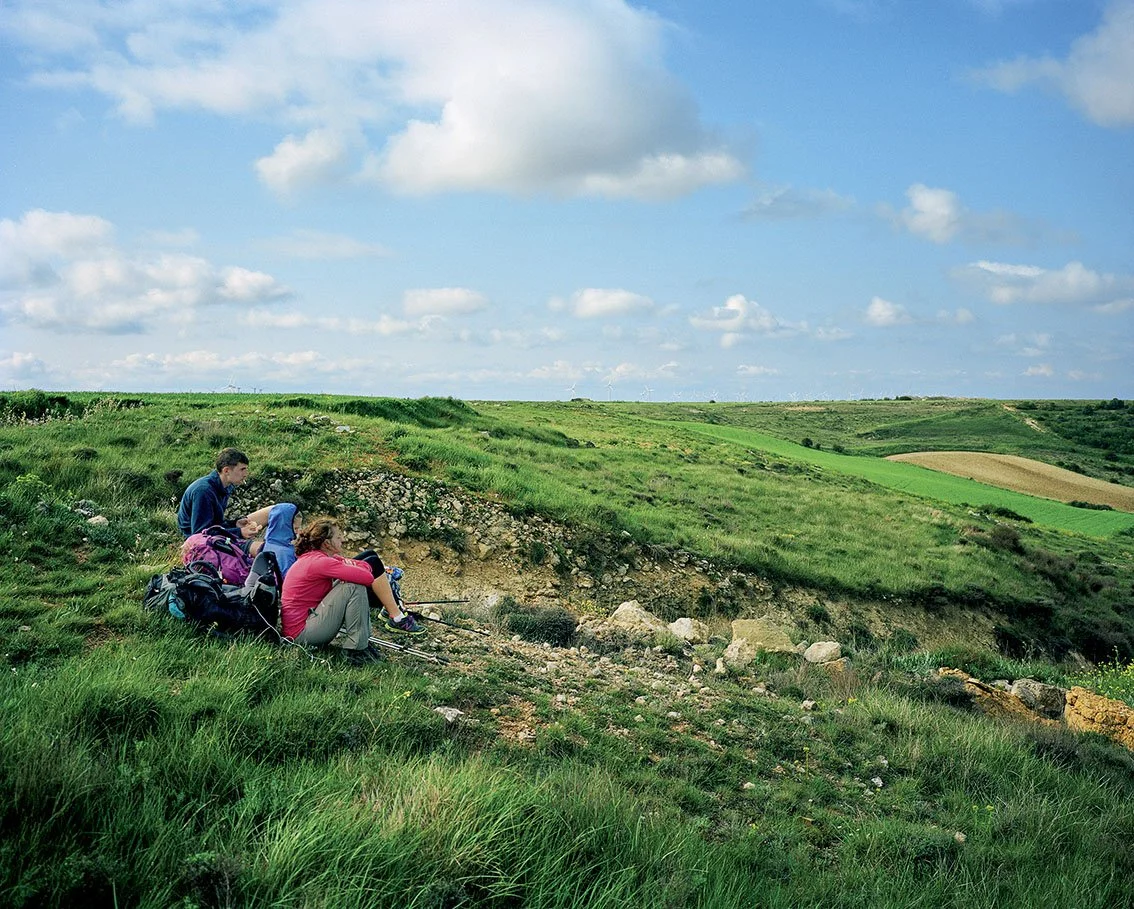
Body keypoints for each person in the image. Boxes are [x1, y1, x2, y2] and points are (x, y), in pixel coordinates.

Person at [280, 518, 424, 666]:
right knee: (354, 586)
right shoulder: (322, 562)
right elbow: (367, 577)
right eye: (338, 537)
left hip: (303, 624)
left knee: (359, 571)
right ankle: (356, 650)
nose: (342, 539)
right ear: (327, 543)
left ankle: (386, 619)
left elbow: (362, 565)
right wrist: (357, 569)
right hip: (302, 634)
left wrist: (355, 568)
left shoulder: (317, 556)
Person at [177, 448, 273, 549]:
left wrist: (235, 523)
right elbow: (201, 534)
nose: (246, 474)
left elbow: (215, 523)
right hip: (201, 543)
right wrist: (239, 533)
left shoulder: (226, 486)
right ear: (226, 470)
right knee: (262, 550)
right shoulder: (203, 491)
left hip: (214, 533)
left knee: (273, 510)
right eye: (242, 469)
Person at [261, 503, 301, 577]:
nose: (298, 532)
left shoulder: (268, 543)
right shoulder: (286, 554)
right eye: (296, 528)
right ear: (285, 527)